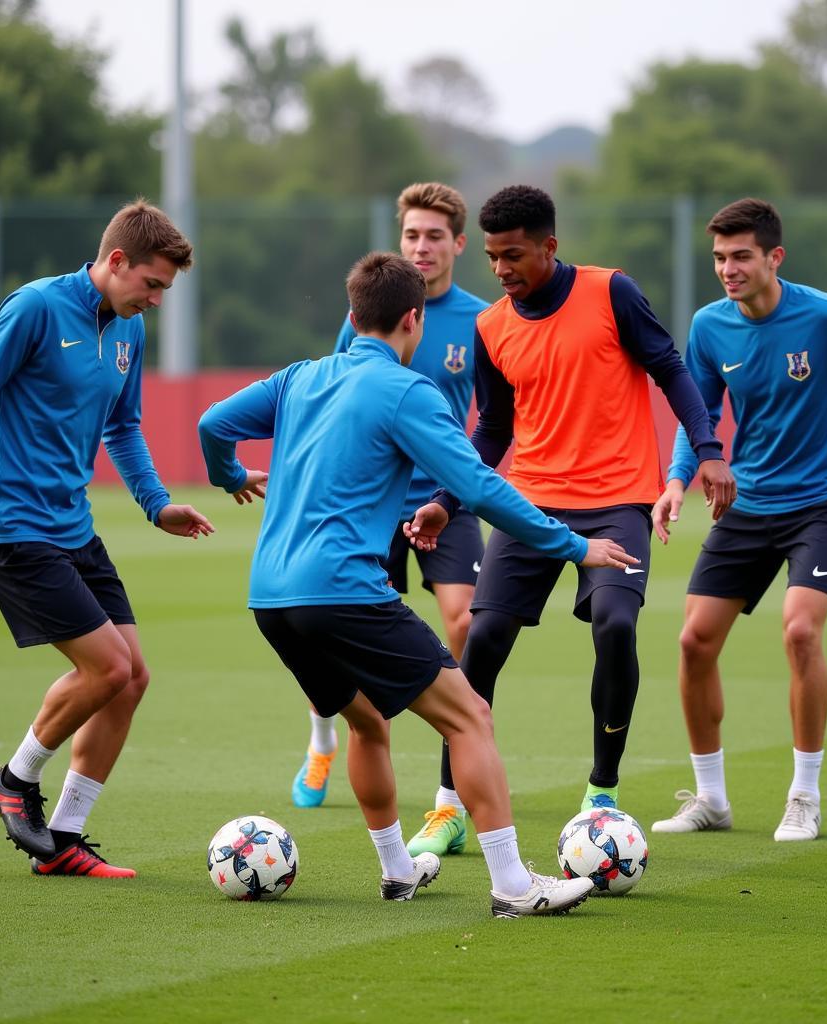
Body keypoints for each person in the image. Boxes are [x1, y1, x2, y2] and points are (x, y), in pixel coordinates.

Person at [198, 251, 634, 917]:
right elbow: (480, 486)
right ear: (414, 319)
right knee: (471, 716)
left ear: (351, 316)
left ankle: (399, 871)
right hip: (343, 590)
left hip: (272, 597)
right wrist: (573, 545)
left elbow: (212, 425)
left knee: (367, 722)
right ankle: (515, 885)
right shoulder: (406, 391)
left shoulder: (299, 378)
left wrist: (230, 476)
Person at [405, 185, 736, 855]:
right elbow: (494, 430)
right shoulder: (491, 326)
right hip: (529, 505)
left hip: (618, 502)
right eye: (494, 258)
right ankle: (447, 808)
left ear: (549, 247)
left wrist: (706, 451)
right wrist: (446, 498)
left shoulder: (611, 292)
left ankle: (602, 794)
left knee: (615, 626)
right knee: (482, 637)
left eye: (515, 256)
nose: (502, 270)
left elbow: (672, 370)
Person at [0, 199, 213, 878]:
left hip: (73, 526)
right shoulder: (35, 307)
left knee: (132, 679)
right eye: (151, 284)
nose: (156, 300)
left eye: (164, 291)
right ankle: (15, 779)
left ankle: (63, 836)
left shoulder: (128, 329)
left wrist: (156, 505)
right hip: (12, 529)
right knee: (108, 668)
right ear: (116, 261)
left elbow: (122, 427)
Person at [650, 197, 827, 842]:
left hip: (821, 505)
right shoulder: (711, 327)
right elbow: (701, 416)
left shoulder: (826, 315)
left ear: (775, 256)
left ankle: (804, 795)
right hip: (747, 506)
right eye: (719, 257)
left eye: (741, 255)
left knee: (800, 632)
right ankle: (711, 799)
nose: (728, 268)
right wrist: (676, 480)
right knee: (692, 643)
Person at [291, 182, 489, 815]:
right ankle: (326, 734)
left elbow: (495, 418)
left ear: (458, 243)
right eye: (411, 235)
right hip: (370, 500)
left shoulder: (482, 321)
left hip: (442, 497)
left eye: (434, 236)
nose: (421, 247)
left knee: (465, 618)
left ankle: (451, 746)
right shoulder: (369, 317)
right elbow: (336, 397)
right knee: (332, 625)